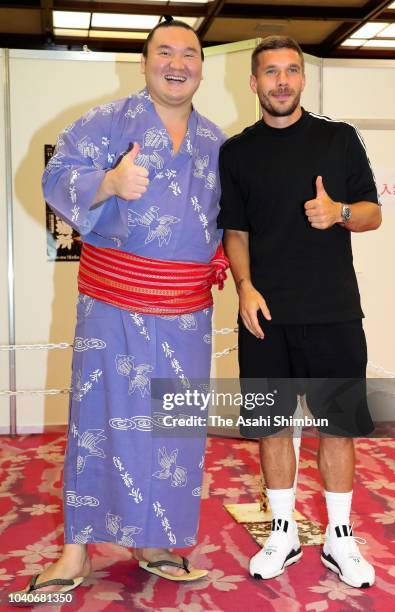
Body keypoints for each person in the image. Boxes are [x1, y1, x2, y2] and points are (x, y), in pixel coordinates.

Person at [13, 18, 228, 598]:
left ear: (202, 66)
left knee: (176, 427)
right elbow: (55, 175)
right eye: (165, 52)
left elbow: (233, 220)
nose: (177, 63)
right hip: (114, 304)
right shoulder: (107, 122)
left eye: (189, 53)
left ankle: (154, 540)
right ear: (144, 61)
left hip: (186, 311)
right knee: (99, 422)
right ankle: (76, 550)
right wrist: (108, 182)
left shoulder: (216, 141)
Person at [218, 35, 381, 589]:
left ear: (302, 79)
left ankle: (339, 537)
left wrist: (337, 212)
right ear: (254, 82)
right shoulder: (236, 152)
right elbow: (234, 232)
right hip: (265, 315)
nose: (282, 81)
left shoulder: (338, 140)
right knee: (271, 426)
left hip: (334, 311)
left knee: (338, 427)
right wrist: (244, 287)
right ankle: (283, 531)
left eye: (291, 71)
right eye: (271, 72)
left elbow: (372, 214)